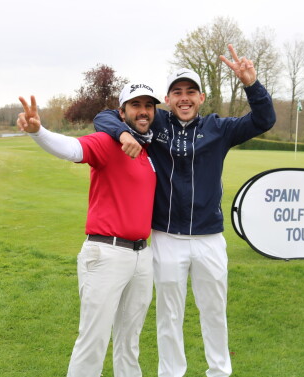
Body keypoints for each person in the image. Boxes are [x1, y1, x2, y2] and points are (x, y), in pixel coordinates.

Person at [93, 44, 276, 377]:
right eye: (177, 92)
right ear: (168, 99)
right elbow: (104, 116)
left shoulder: (219, 129)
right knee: (169, 315)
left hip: (209, 239)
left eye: (191, 91)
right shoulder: (157, 122)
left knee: (214, 311)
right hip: (166, 237)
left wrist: (252, 84)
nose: (184, 97)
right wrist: (121, 133)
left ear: (201, 98)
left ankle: (219, 372)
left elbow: (264, 119)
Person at [17, 83, 161, 377]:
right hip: (106, 253)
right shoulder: (108, 143)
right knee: (93, 341)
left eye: (148, 105)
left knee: (130, 343)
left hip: (141, 257)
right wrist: (38, 132)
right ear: (122, 113)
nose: (143, 111)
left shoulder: (148, 151)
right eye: (136, 105)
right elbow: (72, 148)